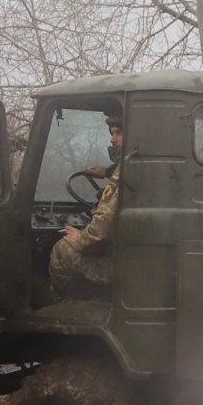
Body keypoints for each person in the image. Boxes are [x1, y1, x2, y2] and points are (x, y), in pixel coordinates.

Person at [49, 113, 123, 299]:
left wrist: (80, 238)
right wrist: (106, 172)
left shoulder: (122, 175)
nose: (112, 139)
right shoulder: (139, 165)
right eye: (112, 133)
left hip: (118, 265)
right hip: (136, 257)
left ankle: (67, 303)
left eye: (119, 133)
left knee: (61, 248)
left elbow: (101, 226)